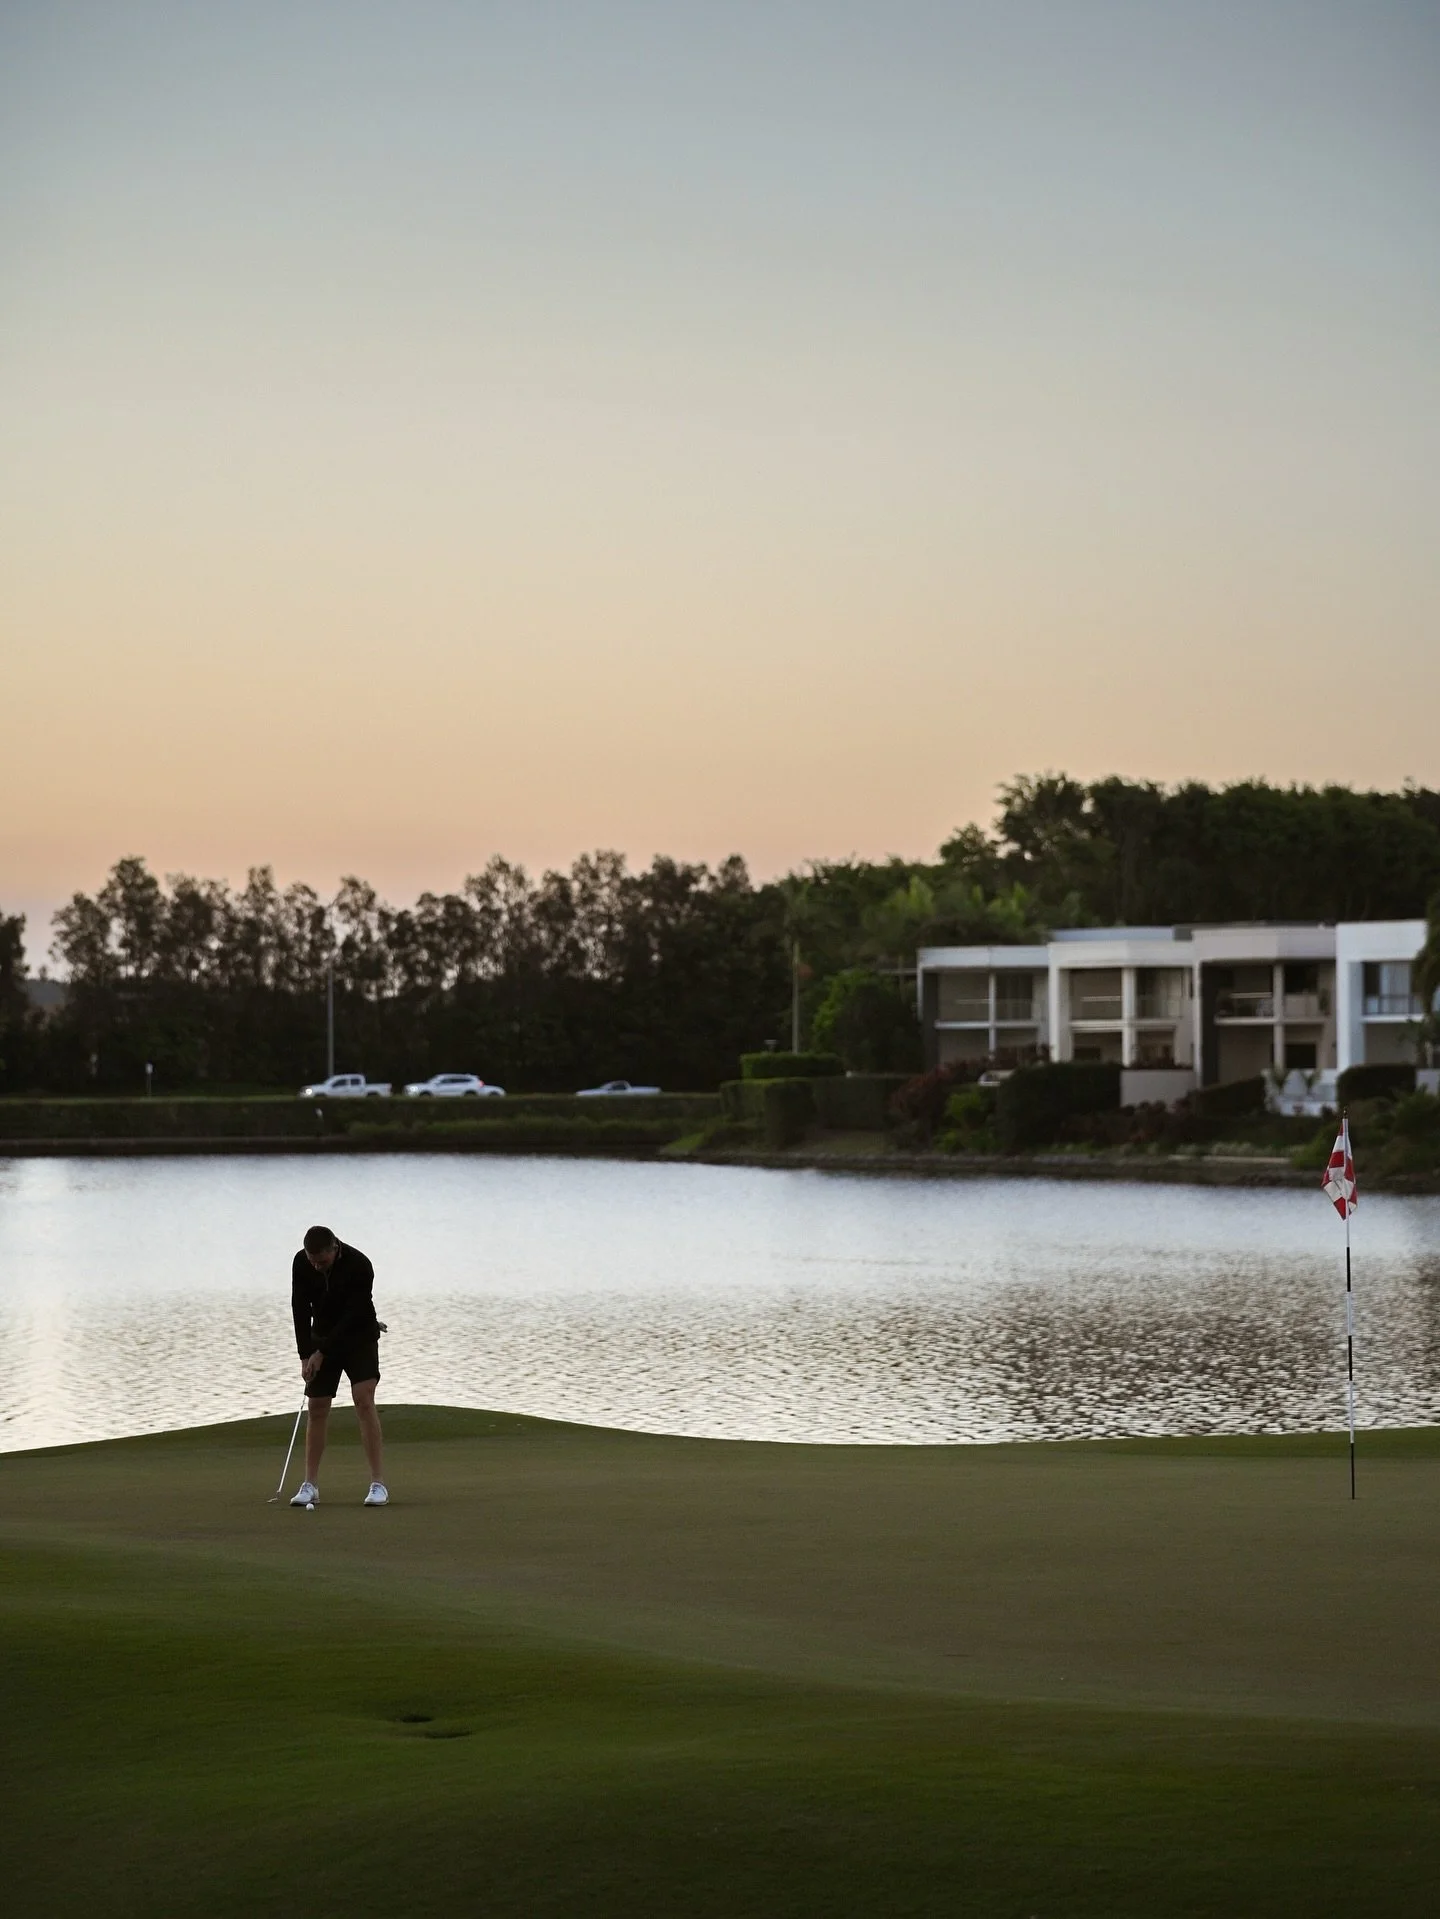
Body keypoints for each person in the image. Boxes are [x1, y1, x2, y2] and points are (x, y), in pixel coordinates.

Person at [288, 1224, 389, 1507]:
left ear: (335, 1249)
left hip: (359, 1336)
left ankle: (378, 1484)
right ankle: (310, 1485)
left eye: (322, 1260)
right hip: (321, 1338)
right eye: (312, 1260)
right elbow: (299, 1306)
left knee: (363, 1400)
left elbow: (353, 1314)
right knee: (317, 1407)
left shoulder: (360, 1265)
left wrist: (321, 1352)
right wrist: (305, 1354)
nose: (317, 1266)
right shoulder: (301, 1263)